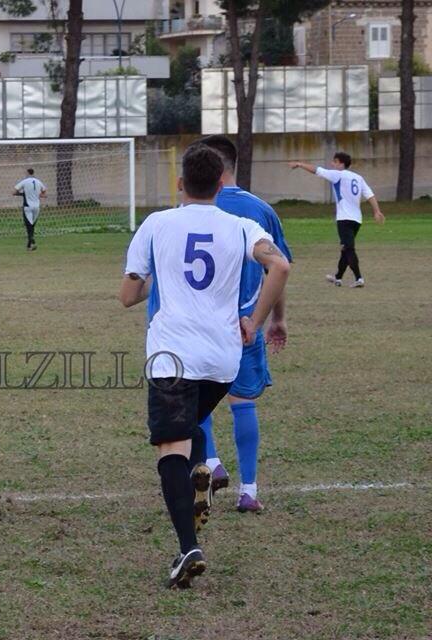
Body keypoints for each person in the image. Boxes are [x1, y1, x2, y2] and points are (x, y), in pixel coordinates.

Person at [119, 144, 290, 589]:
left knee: (169, 448)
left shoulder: (158, 223)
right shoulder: (241, 225)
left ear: (180, 185)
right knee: (192, 423)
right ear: (220, 183)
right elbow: (280, 266)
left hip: (173, 354)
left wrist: (160, 276)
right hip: (222, 356)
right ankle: (200, 472)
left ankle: (187, 547)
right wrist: (253, 319)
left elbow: (127, 294)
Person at [196, 135, 292, 513]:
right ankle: (248, 490)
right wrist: (275, 319)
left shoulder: (191, 208)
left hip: (201, 323)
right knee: (242, 403)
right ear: (231, 167)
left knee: (198, 399)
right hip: (245, 323)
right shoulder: (261, 210)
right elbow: (278, 268)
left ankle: (215, 462)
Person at [290, 153, 385, 288]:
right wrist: (377, 211)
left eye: (334, 162)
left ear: (341, 164)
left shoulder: (338, 175)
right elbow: (370, 195)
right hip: (357, 219)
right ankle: (338, 277)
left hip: (344, 219)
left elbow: (317, 170)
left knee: (349, 249)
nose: (332, 165)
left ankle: (359, 278)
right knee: (345, 248)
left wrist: (300, 164)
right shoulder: (358, 177)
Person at [13, 168, 47, 250]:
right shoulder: (38, 181)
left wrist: (22, 194)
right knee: (32, 226)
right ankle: (29, 246)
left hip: (27, 206)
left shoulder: (25, 181)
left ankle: (33, 242)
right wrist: (39, 195)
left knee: (28, 226)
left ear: (28, 173)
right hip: (37, 207)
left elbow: (14, 192)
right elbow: (44, 192)